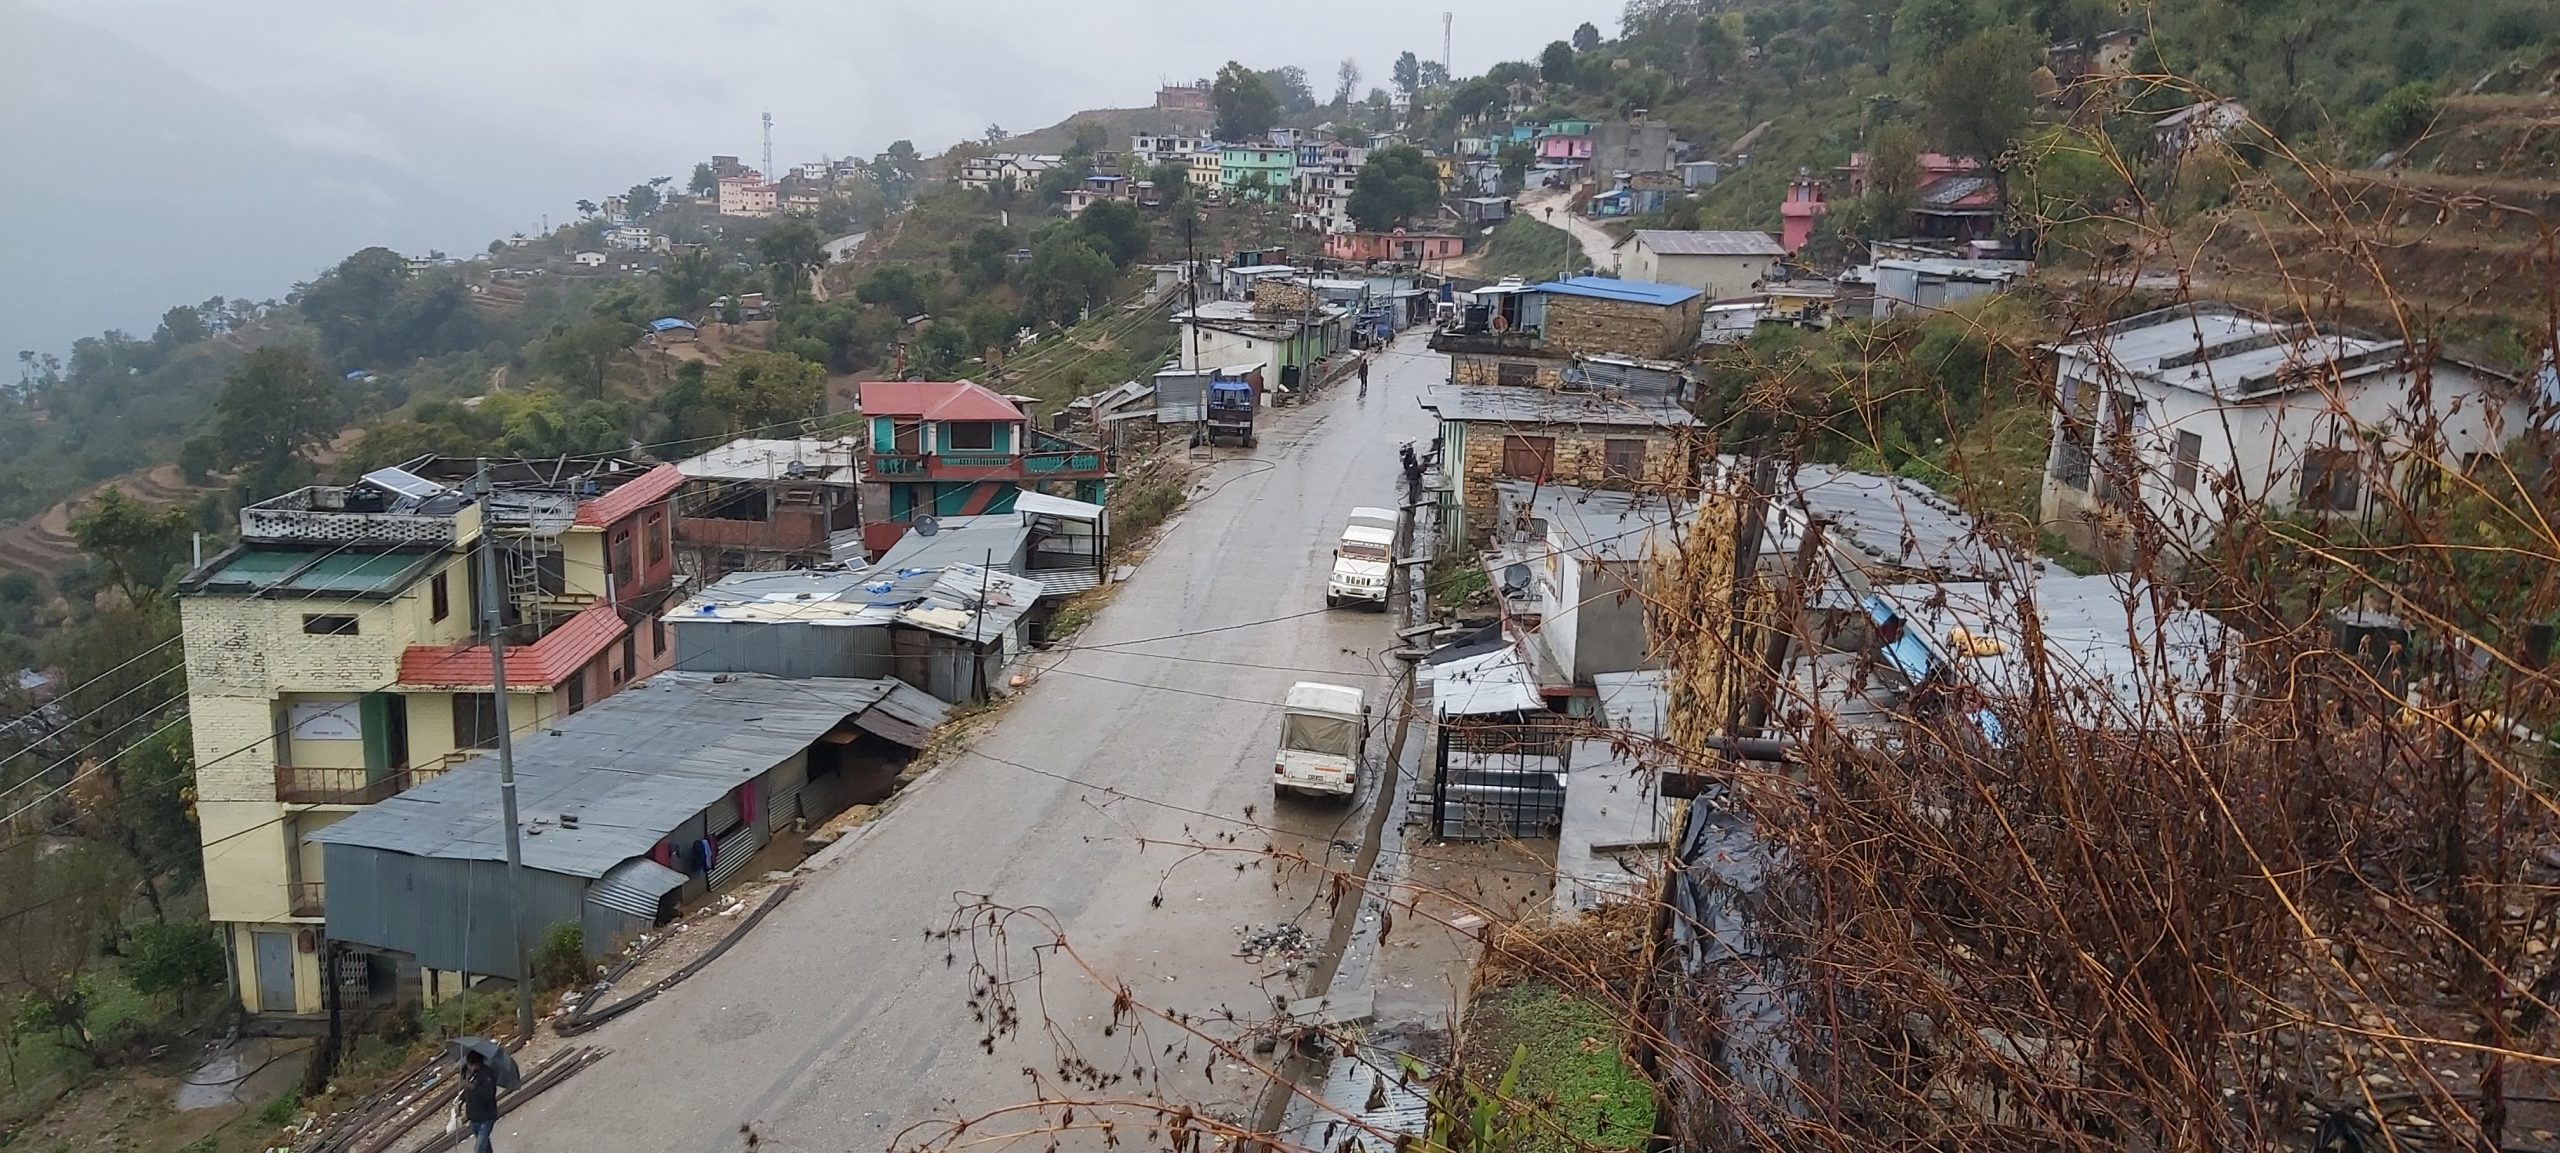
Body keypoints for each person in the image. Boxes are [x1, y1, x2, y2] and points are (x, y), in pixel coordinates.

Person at [460, 1049, 500, 1153]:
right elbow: (465, 1093)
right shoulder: (466, 1073)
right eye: (469, 1065)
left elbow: (489, 1094)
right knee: (485, 1146)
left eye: (473, 1066)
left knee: (479, 1149)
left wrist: (473, 1087)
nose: (471, 1068)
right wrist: (460, 1102)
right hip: (473, 1116)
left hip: (486, 1116)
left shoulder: (487, 1074)